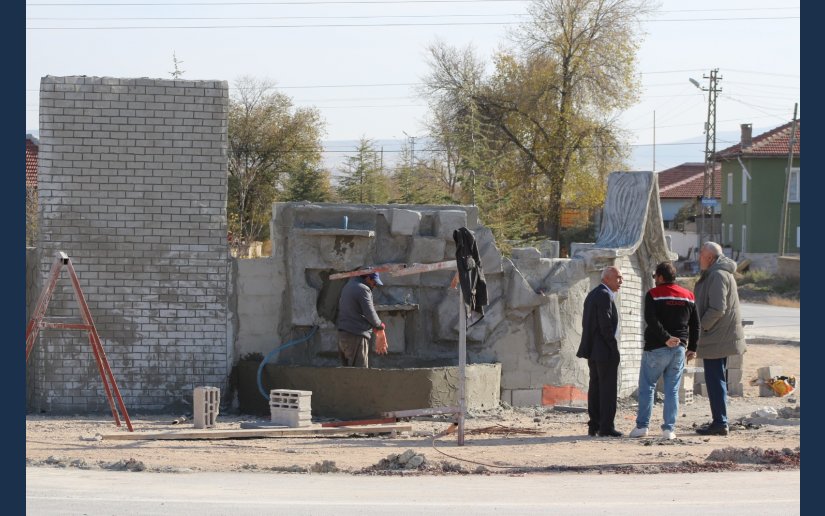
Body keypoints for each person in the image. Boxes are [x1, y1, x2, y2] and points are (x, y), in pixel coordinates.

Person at [629, 261, 699, 440]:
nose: (654, 280)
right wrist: (692, 348)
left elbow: (651, 320)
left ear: (660, 277)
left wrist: (665, 338)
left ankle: (642, 427)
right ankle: (669, 429)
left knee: (647, 387)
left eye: (655, 277)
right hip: (679, 349)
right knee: (672, 390)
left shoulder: (653, 294)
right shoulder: (688, 296)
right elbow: (695, 324)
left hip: (656, 348)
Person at [693, 241, 746, 436]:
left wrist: (700, 328)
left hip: (716, 337)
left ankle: (720, 422)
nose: (699, 258)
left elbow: (717, 308)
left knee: (715, 381)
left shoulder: (717, 274)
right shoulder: (719, 272)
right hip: (719, 336)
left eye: (701, 255)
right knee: (717, 380)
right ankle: (720, 420)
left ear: (709, 257)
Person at [576, 266, 624, 437]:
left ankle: (594, 425)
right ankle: (606, 427)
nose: (621, 281)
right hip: (604, 351)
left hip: (595, 351)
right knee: (607, 390)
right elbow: (605, 325)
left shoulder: (593, 294)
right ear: (607, 279)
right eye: (618, 277)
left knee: (596, 388)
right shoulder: (604, 295)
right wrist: (613, 348)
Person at [336, 270, 388, 367]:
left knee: (345, 375)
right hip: (356, 336)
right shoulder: (363, 289)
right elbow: (370, 313)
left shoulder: (348, 286)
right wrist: (380, 327)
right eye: (374, 282)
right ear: (368, 278)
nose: (374, 285)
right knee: (360, 375)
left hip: (343, 336)